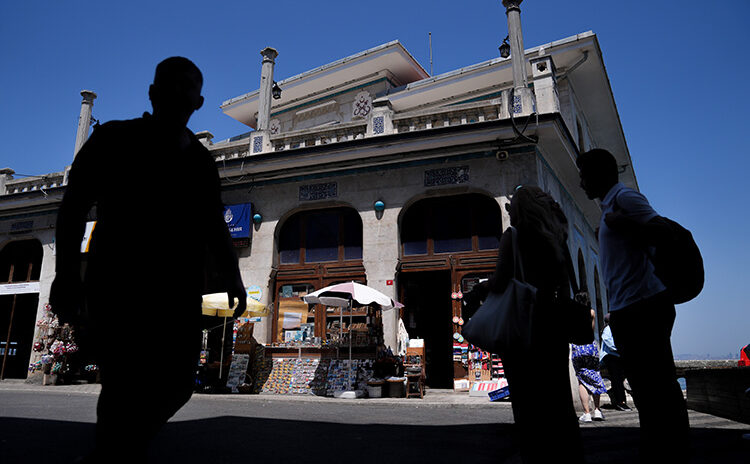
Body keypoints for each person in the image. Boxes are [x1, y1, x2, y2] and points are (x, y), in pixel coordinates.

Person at [50, 57, 246, 463]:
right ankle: (116, 452)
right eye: (171, 86)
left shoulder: (200, 162)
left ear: (199, 100)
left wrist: (234, 276)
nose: (178, 95)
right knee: (122, 384)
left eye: (186, 88)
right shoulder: (114, 140)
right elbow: (72, 208)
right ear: (153, 93)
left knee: (177, 383)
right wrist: (66, 273)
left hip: (176, 293)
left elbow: (215, 225)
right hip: (117, 284)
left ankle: (116, 450)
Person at [577, 148, 689, 462]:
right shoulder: (611, 207)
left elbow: (663, 233)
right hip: (629, 310)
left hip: (644, 308)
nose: (582, 183)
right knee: (645, 388)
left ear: (599, 175)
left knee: (658, 388)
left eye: (585, 176)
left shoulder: (625, 200)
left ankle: (671, 449)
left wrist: (625, 225)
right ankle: (657, 446)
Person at [489, 186, 583, 463]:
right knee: (558, 400)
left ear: (520, 210)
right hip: (552, 329)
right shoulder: (558, 239)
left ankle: (536, 454)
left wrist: (481, 289)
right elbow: (567, 284)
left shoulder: (514, 237)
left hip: (523, 329)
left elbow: (500, 281)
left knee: (528, 403)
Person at [571, 308, 608, 423]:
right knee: (595, 376)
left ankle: (586, 413)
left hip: (577, 347)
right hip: (590, 346)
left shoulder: (572, 313)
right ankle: (597, 410)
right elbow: (591, 329)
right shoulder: (591, 312)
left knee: (581, 380)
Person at [599, 313, 631, 411]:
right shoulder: (608, 328)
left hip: (615, 356)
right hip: (611, 356)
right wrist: (619, 349)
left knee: (618, 378)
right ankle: (620, 402)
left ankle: (620, 400)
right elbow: (608, 341)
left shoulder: (612, 328)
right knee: (617, 378)